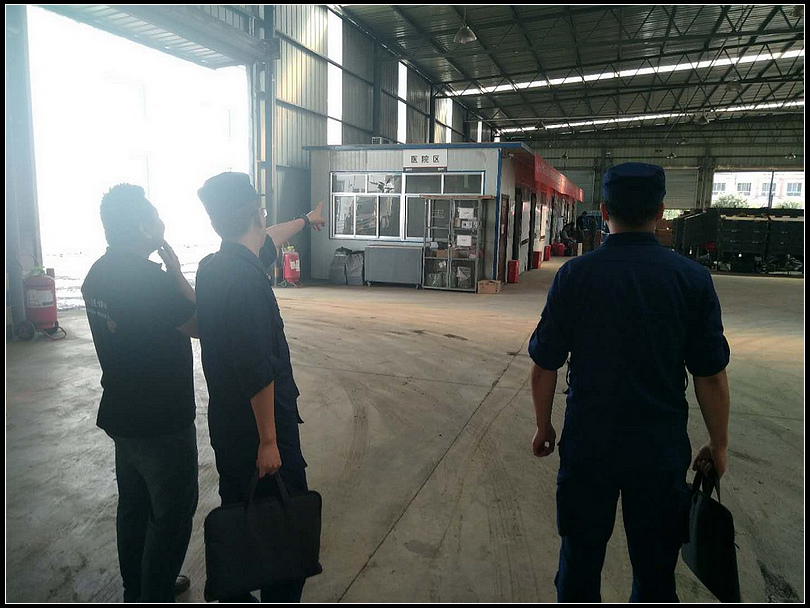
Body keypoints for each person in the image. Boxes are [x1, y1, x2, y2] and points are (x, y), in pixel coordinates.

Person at [527, 162, 730, 602]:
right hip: (658, 449)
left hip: (589, 445)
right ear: (660, 212)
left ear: (604, 211)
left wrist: (544, 426)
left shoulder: (575, 276)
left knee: (579, 565)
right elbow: (710, 376)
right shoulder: (691, 280)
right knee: (655, 575)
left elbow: (545, 365)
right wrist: (719, 444)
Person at [194, 172, 325, 603]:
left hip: (228, 428)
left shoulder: (213, 267)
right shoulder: (248, 282)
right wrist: (269, 441)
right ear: (257, 213)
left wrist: (305, 219)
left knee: (242, 517)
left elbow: (270, 237)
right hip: (261, 435)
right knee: (284, 536)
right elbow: (257, 369)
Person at [82, 184, 199, 602]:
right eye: (155, 216)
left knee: (134, 506)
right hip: (162, 420)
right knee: (172, 513)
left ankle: (139, 588)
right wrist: (178, 275)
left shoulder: (97, 274)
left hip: (122, 413)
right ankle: (154, 594)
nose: (161, 222)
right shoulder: (151, 281)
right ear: (143, 227)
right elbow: (200, 323)